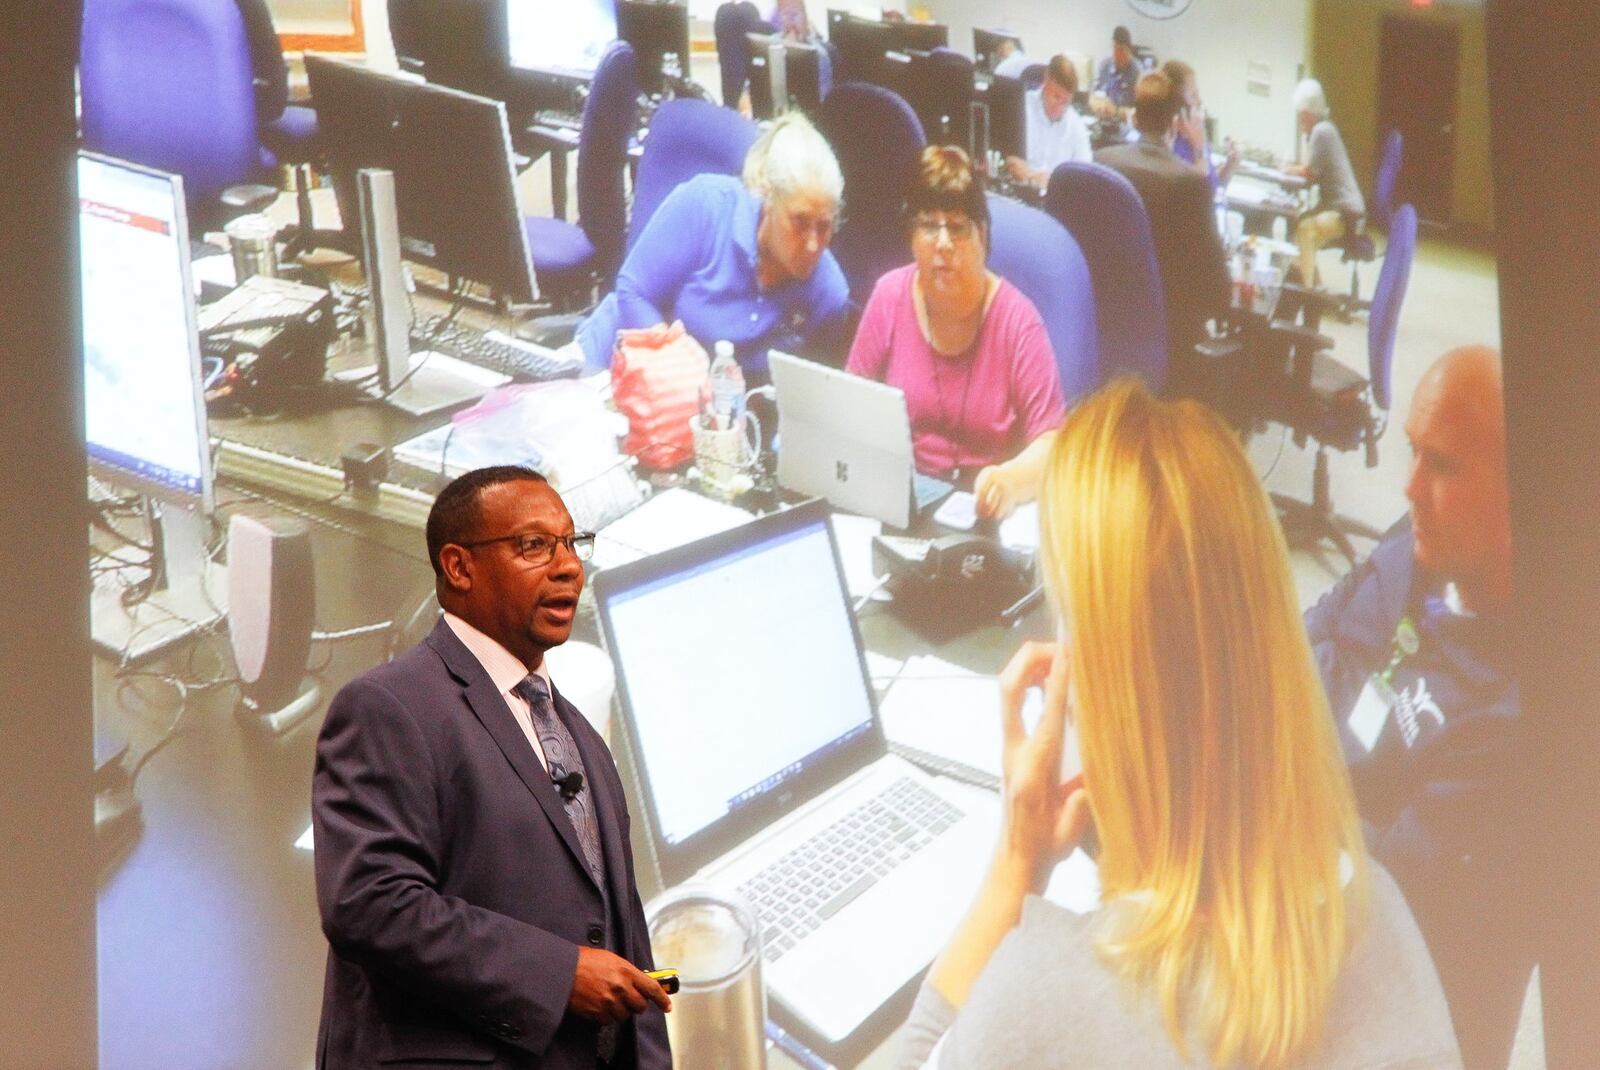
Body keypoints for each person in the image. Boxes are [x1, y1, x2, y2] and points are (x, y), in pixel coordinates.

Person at [898, 379, 1461, 1070]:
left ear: (1095, 686)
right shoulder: (1384, 919)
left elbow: (914, 1056)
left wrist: (1016, 865)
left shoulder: (1040, 1001)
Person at [313, 466, 672, 1069]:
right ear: (458, 566)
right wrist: (560, 975)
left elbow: (625, 944)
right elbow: (370, 903)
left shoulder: (580, 736)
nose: (568, 567)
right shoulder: (390, 706)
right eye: (534, 546)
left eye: (571, 543)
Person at [1305, 346, 1533, 1070]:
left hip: (1393, 1018)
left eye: (1443, 465)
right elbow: (1306, 635)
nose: (1408, 488)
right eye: (1412, 453)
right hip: (1313, 921)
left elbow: (1377, 888)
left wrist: (1295, 753)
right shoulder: (1425, 543)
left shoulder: (1524, 718)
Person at [845, 146, 1065, 520]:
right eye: (929, 225)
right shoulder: (888, 296)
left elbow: (1052, 442)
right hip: (902, 504)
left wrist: (1008, 481)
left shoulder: (1018, 321)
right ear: (912, 237)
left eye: (958, 227)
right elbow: (848, 404)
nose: (943, 244)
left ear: (982, 237)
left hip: (986, 514)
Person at [575, 112, 850, 380]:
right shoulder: (706, 205)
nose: (813, 244)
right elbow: (634, 292)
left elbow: (806, 387)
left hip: (706, 408)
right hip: (609, 365)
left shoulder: (828, 293)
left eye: (824, 227)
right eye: (799, 222)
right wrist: (677, 366)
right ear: (768, 198)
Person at [1095, 71, 1230, 392]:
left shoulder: (1100, 162)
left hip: (1102, 329)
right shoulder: (1189, 184)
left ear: (1135, 117)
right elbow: (1217, 293)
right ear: (1174, 122)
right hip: (1169, 344)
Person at [1285, 78, 1365, 287]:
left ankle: (1308, 292)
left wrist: (1286, 169)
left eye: (1301, 116)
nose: (1300, 121)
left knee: (1305, 231)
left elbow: (1310, 173)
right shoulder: (1325, 129)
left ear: (1307, 114)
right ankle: (1315, 288)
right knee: (1303, 236)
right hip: (1345, 211)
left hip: (1345, 215)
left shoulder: (1321, 131)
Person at [1005, 55, 1093, 190]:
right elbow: (1007, 159)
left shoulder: (1076, 125)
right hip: (1022, 191)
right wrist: (1030, 176)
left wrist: (1052, 182)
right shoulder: (1020, 108)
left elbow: (1085, 175)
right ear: (1046, 81)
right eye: (1056, 97)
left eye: (1066, 102)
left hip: (1057, 197)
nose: (1060, 107)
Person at [1161, 59, 1239, 194]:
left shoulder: (1196, 138)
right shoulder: (1169, 145)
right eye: (1193, 95)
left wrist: (1230, 166)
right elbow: (1197, 195)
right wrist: (1199, 150)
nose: (1199, 101)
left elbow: (1213, 183)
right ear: (1178, 106)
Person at [1090, 25, 1141, 117]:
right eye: (1115, 49)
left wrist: (1117, 111)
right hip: (1103, 117)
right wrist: (1094, 102)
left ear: (1129, 50)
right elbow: (1094, 94)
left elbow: (1139, 112)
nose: (1118, 54)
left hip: (1125, 123)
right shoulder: (1104, 65)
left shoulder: (1138, 73)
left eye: (1121, 50)